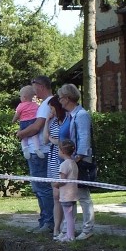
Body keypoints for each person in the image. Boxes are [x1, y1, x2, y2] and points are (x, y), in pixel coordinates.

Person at [57, 83, 95, 240]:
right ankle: (67, 230)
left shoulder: (81, 115)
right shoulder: (70, 115)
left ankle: (88, 228)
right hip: (72, 160)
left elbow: (84, 137)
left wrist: (77, 158)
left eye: (60, 98)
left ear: (67, 98)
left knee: (83, 195)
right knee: (69, 195)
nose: (59, 101)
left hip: (80, 161)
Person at [17, 76, 55, 233]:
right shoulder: (44, 104)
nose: (33, 91)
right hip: (36, 150)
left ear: (41, 86)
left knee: (42, 187)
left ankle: (48, 222)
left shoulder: (47, 104)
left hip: (40, 151)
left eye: (35, 87)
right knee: (38, 187)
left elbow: (37, 127)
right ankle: (43, 221)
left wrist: (20, 134)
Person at [42, 95, 66, 238]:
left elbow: (61, 142)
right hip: (52, 160)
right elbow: (46, 140)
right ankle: (56, 228)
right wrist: (46, 121)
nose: (51, 111)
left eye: (52, 108)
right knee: (55, 195)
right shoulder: (53, 122)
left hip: (61, 159)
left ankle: (64, 226)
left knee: (61, 194)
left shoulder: (65, 121)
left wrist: (53, 140)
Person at [53, 139, 79, 242]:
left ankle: (70, 236)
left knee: (68, 217)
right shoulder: (73, 163)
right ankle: (68, 234)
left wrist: (55, 184)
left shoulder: (63, 165)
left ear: (62, 151)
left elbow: (62, 181)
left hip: (66, 195)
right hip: (73, 194)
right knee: (70, 216)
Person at [13, 86, 43, 160]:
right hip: (33, 121)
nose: (20, 98)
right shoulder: (35, 105)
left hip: (23, 122)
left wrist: (13, 120)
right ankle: (37, 148)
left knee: (23, 135)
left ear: (24, 97)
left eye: (20, 96)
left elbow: (17, 115)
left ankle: (25, 148)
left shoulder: (20, 105)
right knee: (34, 135)